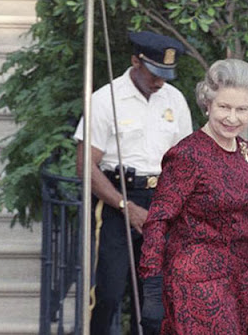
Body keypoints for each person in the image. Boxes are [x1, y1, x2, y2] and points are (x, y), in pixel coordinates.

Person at [138, 58, 248, 334]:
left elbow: (244, 207)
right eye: (224, 107)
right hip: (197, 283)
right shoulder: (187, 155)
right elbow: (158, 220)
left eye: (241, 109)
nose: (232, 117)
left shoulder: (246, 151)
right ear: (208, 104)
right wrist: (152, 288)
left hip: (241, 281)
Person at [73, 31, 193, 335]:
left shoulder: (174, 99)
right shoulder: (105, 99)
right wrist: (127, 207)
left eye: (166, 74)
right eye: (154, 72)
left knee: (156, 302)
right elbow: (85, 166)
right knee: (107, 295)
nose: (159, 81)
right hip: (117, 200)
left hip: (162, 202)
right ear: (134, 62)